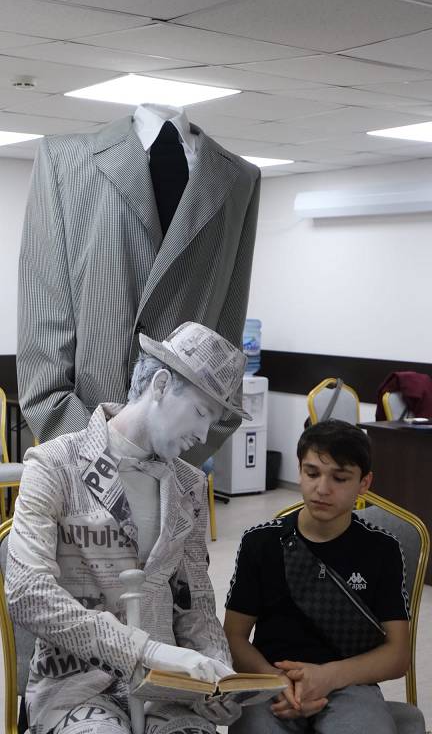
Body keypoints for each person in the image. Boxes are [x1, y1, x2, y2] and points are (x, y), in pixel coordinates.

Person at [6, 322, 251, 734]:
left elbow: (196, 606)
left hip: (169, 693)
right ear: (160, 384)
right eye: (201, 412)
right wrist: (147, 652)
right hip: (78, 688)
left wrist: (218, 675)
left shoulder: (189, 486)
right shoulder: (54, 465)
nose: (204, 434)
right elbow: (28, 593)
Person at [17, 102, 261, 465]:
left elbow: (226, 335)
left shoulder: (239, 179)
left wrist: (173, 458)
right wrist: (98, 455)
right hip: (78, 446)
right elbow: (44, 321)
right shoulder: (63, 160)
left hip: (174, 459)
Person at [224, 419, 415, 734]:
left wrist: (328, 677)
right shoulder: (261, 543)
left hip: (351, 682)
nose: (322, 489)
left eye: (340, 478)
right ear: (299, 471)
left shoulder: (383, 549)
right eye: (312, 473)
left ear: (364, 483)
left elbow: (397, 655)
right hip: (270, 681)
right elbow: (233, 637)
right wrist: (274, 679)